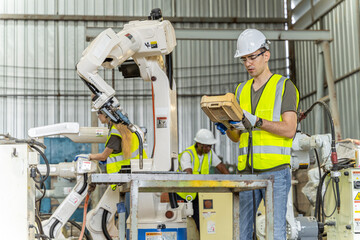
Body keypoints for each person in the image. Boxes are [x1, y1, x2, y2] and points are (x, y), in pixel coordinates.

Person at [216, 29, 299, 240]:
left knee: (274, 233)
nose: (248, 63)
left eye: (252, 57)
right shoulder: (240, 91)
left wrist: (258, 122)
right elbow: (238, 137)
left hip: (276, 173)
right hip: (246, 172)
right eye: (244, 59)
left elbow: (289, 129)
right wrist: (227, 127)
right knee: (241, 232)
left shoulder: (284, 86)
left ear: (266, 55)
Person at [177, 129, 229, 231]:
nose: (209, 148)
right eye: (207, 146)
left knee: (202, 222)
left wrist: (231, 181)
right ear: (199, 144)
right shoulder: (187, 154)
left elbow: (221, 167)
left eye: (210, 146)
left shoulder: (209, 153)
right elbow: (189, 174)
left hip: (199, 194)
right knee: (182, 222)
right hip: (183, 194)